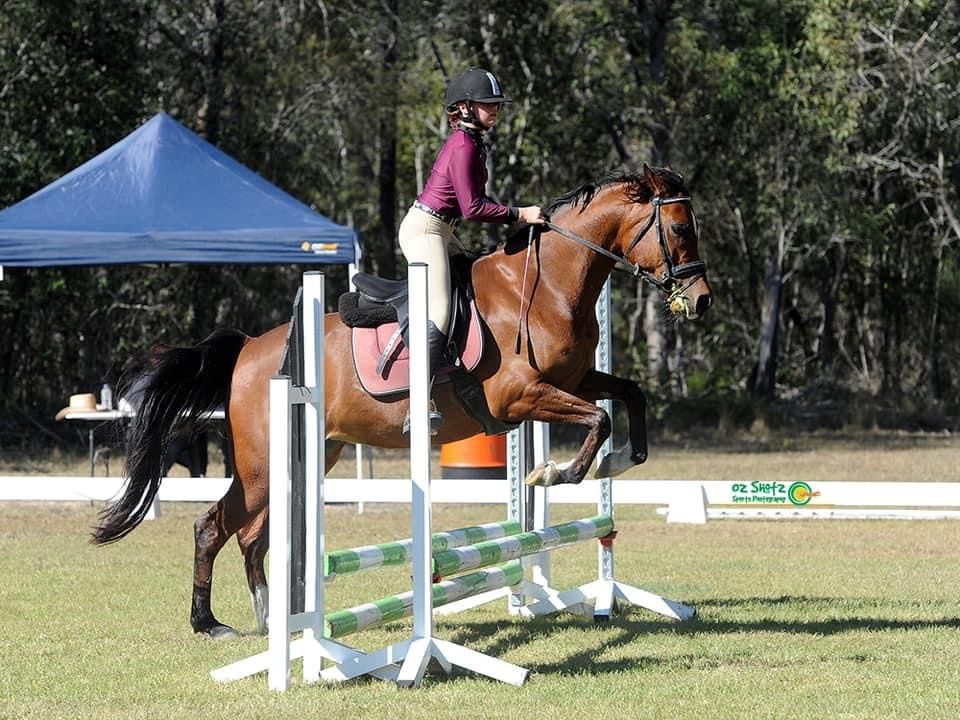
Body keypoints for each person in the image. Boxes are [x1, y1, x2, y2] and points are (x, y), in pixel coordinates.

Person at [398, 67, 545, 434]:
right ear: (464, 107)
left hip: (442, 230)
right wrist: (520, 214)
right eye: (487, 103)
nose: (495, 109)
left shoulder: (473, 142)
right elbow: (472, 208)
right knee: (441, 311)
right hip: (425, 231)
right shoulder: (463, 146)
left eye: (496, 104)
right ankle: (418, 402)